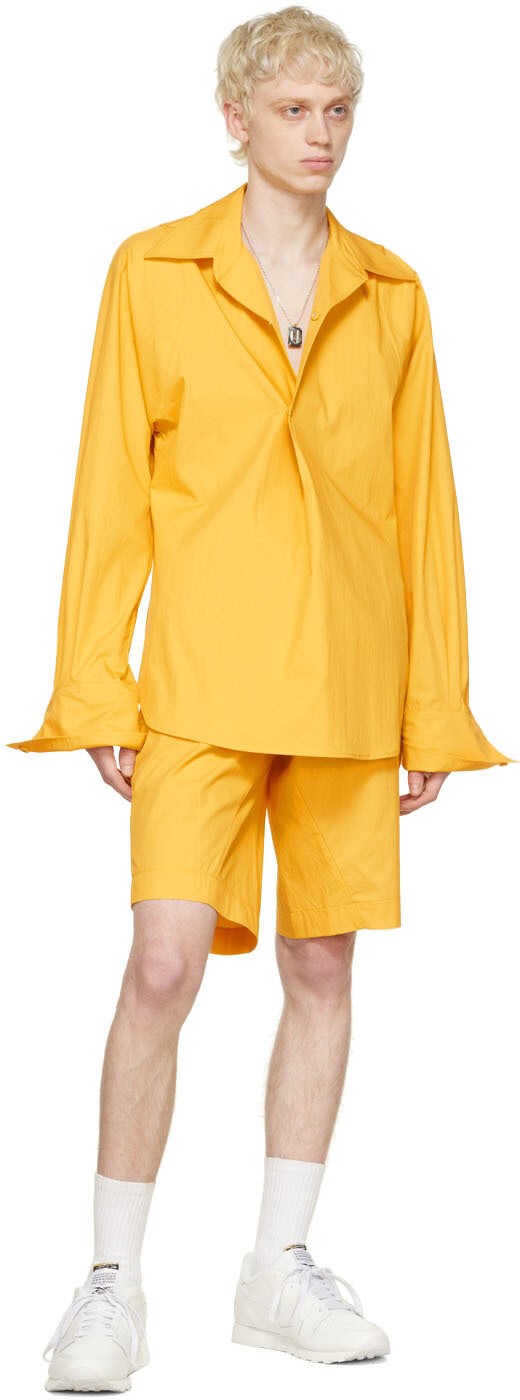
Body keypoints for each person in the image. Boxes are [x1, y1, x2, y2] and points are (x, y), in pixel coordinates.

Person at [7, 5, 516, 1387]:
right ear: (235, 120)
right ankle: (110, 1283)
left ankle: (277, 1271)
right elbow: (109, 488)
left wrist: (434, 704)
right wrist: (95, 686)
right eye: (294, 110)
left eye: (338, 111)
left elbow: (426, 511)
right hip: (197, 684)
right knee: (163, 961)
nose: (321, 135)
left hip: (349, 681)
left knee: (322, 964)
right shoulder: (153, 271)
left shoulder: (393, 292)